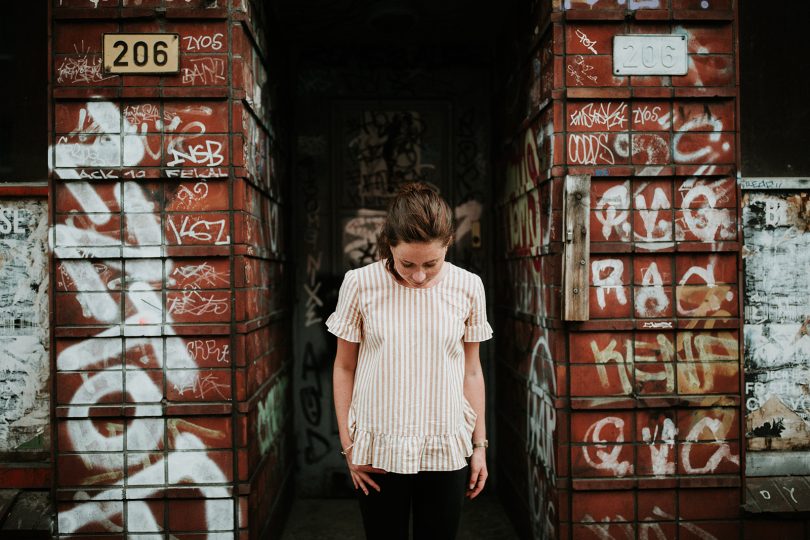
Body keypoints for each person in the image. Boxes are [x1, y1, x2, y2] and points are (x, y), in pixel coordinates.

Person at [327, 182, 493, 539]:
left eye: (431, 264)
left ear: (448, 244)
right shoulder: (359, 284)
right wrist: (349, 447)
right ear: (389, 245)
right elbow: (344, 367)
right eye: (407, 264)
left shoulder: (468, 287)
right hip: (377, 447)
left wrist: (479, 447)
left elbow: (472, 371)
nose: (419, 276)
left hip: (446, 444)